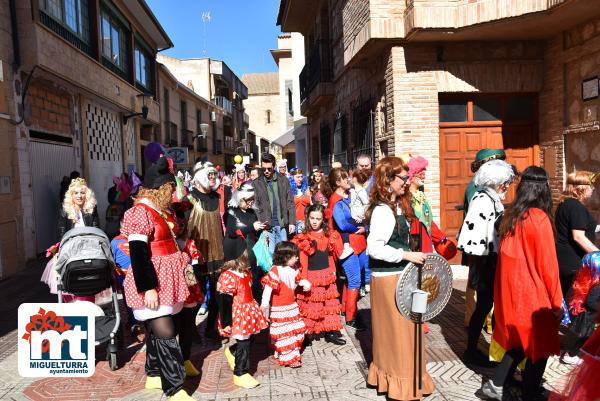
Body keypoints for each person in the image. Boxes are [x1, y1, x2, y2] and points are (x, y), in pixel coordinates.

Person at [481, 166, 563, 401]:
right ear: (543, 189)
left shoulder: (512, 216)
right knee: (540, 345)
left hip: (512, 292)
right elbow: (548, 265)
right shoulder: (540, 220)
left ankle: (497, 384)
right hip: (533, 294)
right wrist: (557, 301)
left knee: (521, 343)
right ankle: (530, 393)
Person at [120, 156, 194, 401]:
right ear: (161, 189)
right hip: (153, 280)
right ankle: (174, 388)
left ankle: (153, 373)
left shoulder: (157, 211)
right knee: (165, 330)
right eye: (170, 189)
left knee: (156, 329)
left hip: (168, 277)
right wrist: (148, 288)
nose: (173, 194)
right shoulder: (139, 213)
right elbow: (139, 255)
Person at [366, 156, 434, 400]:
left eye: (407, 178)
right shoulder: (383, 211)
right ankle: (401, 386)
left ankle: (402, 380)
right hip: (389, 280)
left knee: (405, 333)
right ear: (388, 180)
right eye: (403, 178)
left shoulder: (395, 206)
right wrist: (407, 254)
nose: (407, 182)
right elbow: (373, 248)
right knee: (398, 335)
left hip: (399, 276)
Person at [457, 159, 515, 366]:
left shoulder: (491, 198)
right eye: (505, 182)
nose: (507, 186)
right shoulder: (483, 199)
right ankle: (472, 351)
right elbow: (477, 234)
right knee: (483, 307)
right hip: (485, 263)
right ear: (496, 181)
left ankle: (488, 350)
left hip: (490, 260)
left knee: (487, 306)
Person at [462, 149, 506, 327]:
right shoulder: (479, 190)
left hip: (487, 251)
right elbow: (480, 224)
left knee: (482, 299)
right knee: (481, 301)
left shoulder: (488, 188)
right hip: (483, 252)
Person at [293, 204, 346, 345]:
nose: (315, 221)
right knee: (311, 306)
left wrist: (333, 269)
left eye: (318, 218)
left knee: (329, 305)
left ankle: (330, 332)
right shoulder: (305, 237)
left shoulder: (329, 235)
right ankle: (306, 334)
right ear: (307, 218)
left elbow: (330, 255)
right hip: (312, 276)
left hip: (327, 274)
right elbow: (303, 260)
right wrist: (304, 279)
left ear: (323, 219)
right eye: (312, 218)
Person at [186, 161, 225, 340]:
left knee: (217, 295)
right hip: (197, 255)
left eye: (214, 176)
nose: (212, 178)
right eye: (209, 175)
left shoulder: (217, 197)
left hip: (217, 253)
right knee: (195, 294)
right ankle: (191, 330)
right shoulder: (189, 199)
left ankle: (211, 329)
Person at [217, 250, 268, 389]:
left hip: (248, 310)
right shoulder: (228, 276)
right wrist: (227, 323)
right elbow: (224, 301)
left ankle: (233, 351)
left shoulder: (245, 273)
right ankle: (240, 373)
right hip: (238, 313)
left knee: (249, 339)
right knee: (244, 342)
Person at [328, 167, 368, 331]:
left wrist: (364, 226)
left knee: (352, 279)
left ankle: (346, 308)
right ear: (338, 182)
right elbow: (342, 224)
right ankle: (352, 317)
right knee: (354, 280)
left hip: (358, 242)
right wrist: (360, 225)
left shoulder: (349, 196)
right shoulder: (335, 200)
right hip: (346, 245)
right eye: (345, 178)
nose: (348, 180)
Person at [260, 241, 310, 367]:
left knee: (294, 331)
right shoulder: (275, 270)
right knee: (285, 333)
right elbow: (268, 289)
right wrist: (264, 304)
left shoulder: (293, 269)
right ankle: (290, 357)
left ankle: (288, 352)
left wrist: (305, 283)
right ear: (286, 257)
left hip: (291, 306)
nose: (297, 258)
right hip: (280, 308)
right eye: (294, 256)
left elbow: (297, 281)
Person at [555, 171, 599, 299]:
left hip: (563, 260)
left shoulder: (566, 204)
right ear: (582, 188)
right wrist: (598, 254)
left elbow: (582, 228)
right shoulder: (576, 207)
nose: (593, 189)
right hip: (573, 263)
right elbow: (578, 236)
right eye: (591, 185)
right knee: (573, 304)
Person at [223, 184, 266, 300]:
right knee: (240, 282)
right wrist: (252, 227)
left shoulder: (252, 212)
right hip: (237, 252)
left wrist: (261, 230)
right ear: (240, 198)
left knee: (253, 281)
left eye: (252, 200)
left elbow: (254, 231)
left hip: (251, 252)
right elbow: (232, 232)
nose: (251, 203)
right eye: (248, 200)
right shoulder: (231, 212)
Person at [253, 152, 296, 252]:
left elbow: (290, 202)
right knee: (271, 257)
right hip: (267, 227)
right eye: (264, 169)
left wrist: (292, 222)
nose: (266, 171)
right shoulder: (256, 183)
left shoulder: (284, 180)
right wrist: (260, 224)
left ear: (274, 166)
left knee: (284, 255)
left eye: (269, 168)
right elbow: (255, 206)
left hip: (282, 226)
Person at [565, 250, 600, 365]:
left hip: (587, 301)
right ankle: (572, 354)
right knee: (586, 334)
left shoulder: (592, 257)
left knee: (586, 333)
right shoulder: (595, 259)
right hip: (591, 307)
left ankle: (572, 353)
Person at [290, 168, 310, 234]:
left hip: (305, 221)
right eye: (298, 177)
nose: (300, 179)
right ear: (292, 178)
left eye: (301, 177)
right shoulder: (288, 190)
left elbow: (311, 203)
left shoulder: (306, 189)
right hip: (293, 222)